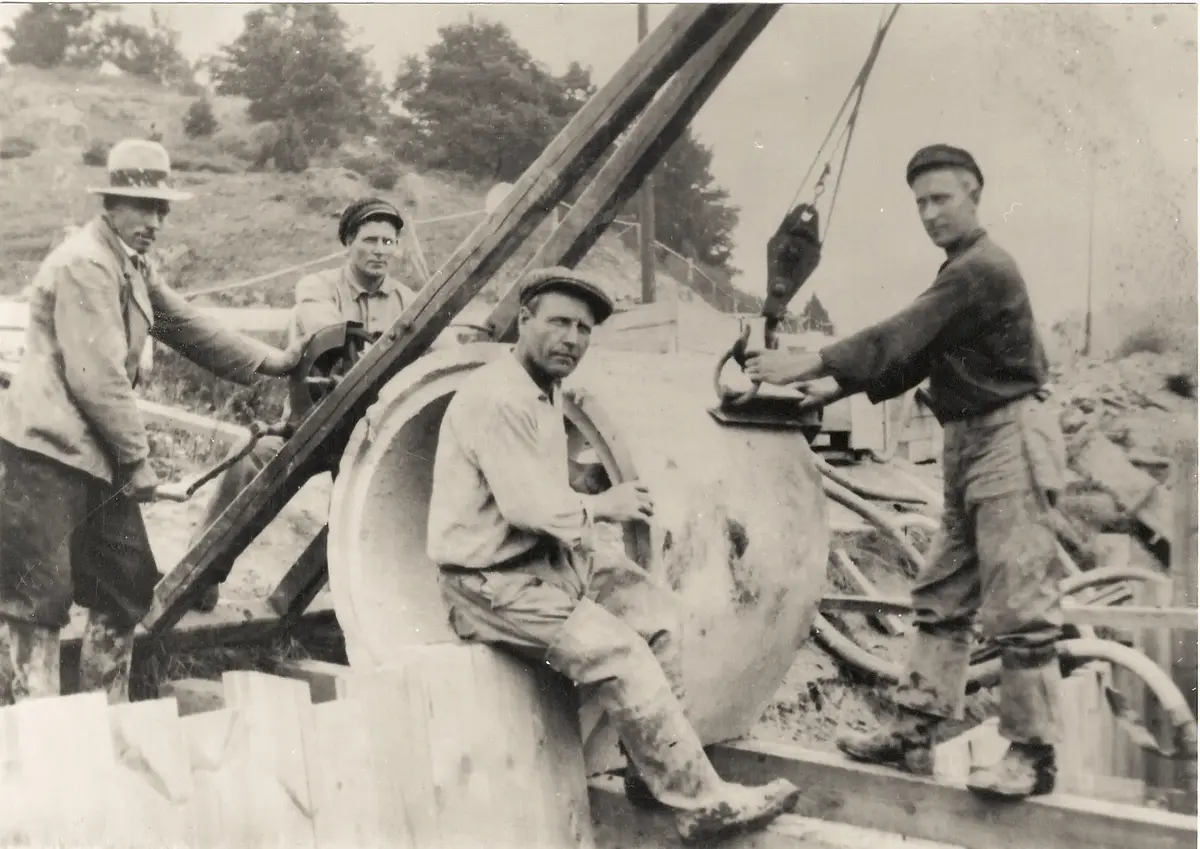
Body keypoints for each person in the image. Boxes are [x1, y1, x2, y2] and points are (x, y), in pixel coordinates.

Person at [426, 266, 801, 844]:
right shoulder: (499, 397)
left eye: (583, 329)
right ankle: (699, 803)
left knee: (658, 617)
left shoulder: (543, 388)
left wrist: (582, 483)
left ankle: (653, 776)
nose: (571, 339)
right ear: (523, 321)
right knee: (620, 653)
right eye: (559, 323)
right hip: (491, 585)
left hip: (546, 564)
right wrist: (605, 504)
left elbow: (536, 477)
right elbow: (530, 509)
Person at [745, 144, 1067, 800]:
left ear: (974, 193)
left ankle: (1033, 754)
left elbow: (901, 332)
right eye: (920, 203)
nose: (929, 213)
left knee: (1018, 600)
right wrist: (830, 390)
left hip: (1010, 438)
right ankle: (914, 731)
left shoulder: (983, 269)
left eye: (941, 198)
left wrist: (809, 364)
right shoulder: (961, 275)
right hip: (968, 443)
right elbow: (915, 357)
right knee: (942, 592)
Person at [0, 139, 311, 706]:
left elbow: (183, 323)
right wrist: (139, 461)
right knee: (38, 597)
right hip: (45, 452)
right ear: (111, 204)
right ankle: (38, 726)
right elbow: (97, 377)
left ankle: (108, 711)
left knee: (124, 586)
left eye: (162, 209)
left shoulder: (130, 264)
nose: (155, 221)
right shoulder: (84, 264)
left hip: (97, 453)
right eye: (144, 207)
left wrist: (274, 361)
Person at [187, 197, 418, 612]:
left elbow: (437, 349)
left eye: (389, 241)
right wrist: (375, 351)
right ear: (348, 243)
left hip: (368, 437)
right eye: (370, 240)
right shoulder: (318, 287)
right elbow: (324, 328)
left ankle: (354, 607)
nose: (380, 250)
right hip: (308, 427)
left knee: (375, 509)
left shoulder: (409, 301)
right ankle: (195, 580)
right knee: (249, 462)